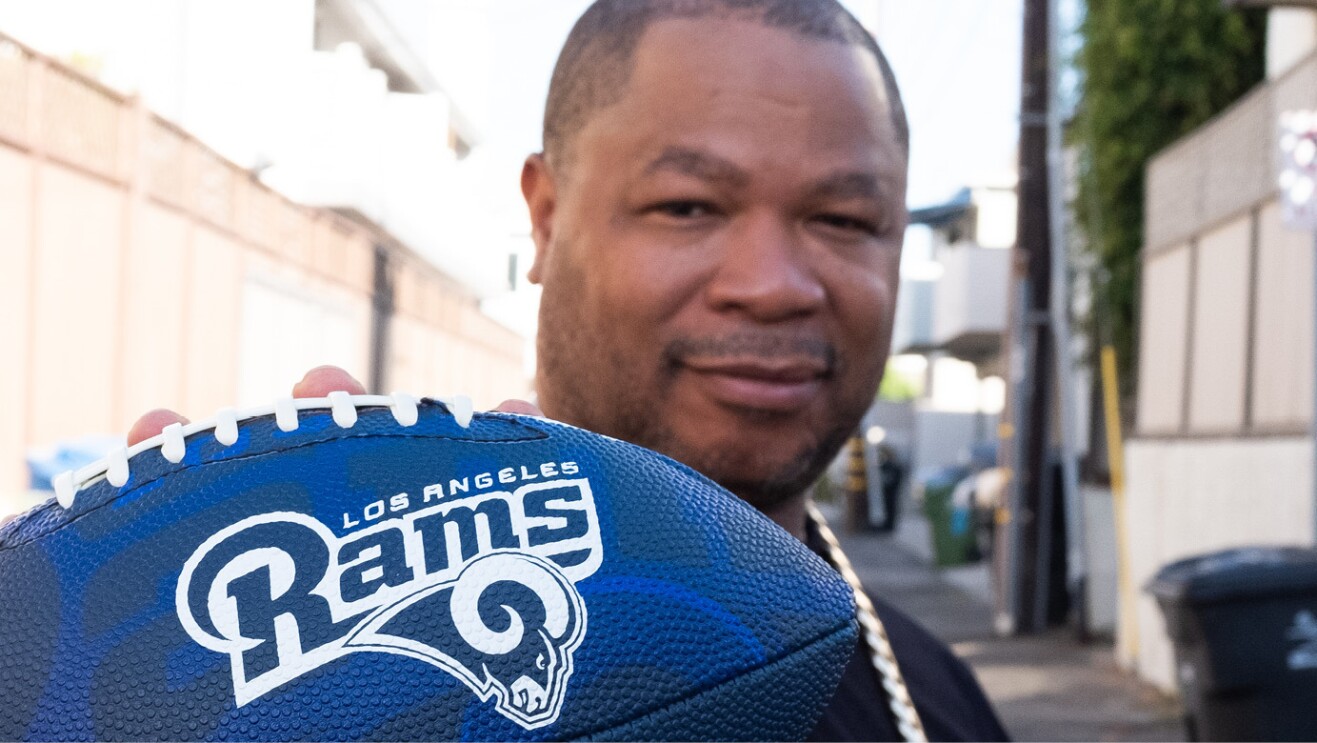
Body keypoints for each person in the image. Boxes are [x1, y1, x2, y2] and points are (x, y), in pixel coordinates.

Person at [129, 1, 1008, 739]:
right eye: (687, 206)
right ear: (545, 220)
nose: (772, 285)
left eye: (846, 219)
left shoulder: (941, 705)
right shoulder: (318, 670)